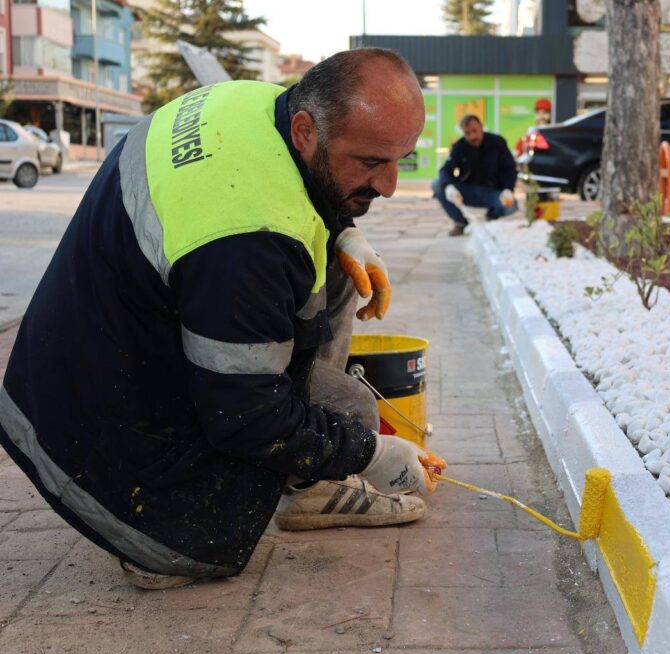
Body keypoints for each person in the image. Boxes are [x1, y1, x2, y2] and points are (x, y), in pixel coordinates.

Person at [0, 48, 438, 590]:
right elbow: (247, 418)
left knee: (336, 269)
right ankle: (150, 526)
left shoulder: (258, 103)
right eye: (371, 163)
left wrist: (343, 229)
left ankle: (304, 485)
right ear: (305, 131)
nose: (391, 185)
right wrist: (367, 452)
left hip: (82, 350)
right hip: (97, 438)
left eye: (402, 160)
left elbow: (290, 200)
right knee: (349, 409)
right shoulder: (246, 243)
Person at [432, 114, 518, 236]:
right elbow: (446, 169)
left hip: (492, 192)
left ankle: (491, 217)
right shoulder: (459, 146)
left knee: (511, 205)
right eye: (467, 133)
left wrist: (508, 189)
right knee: (437, 184)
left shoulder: (497, 143)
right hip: (467, 191)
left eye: (474, 131)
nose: (472, 136)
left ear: (481, 127)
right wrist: (449, 186)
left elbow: (509, 168)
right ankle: (460, 222)